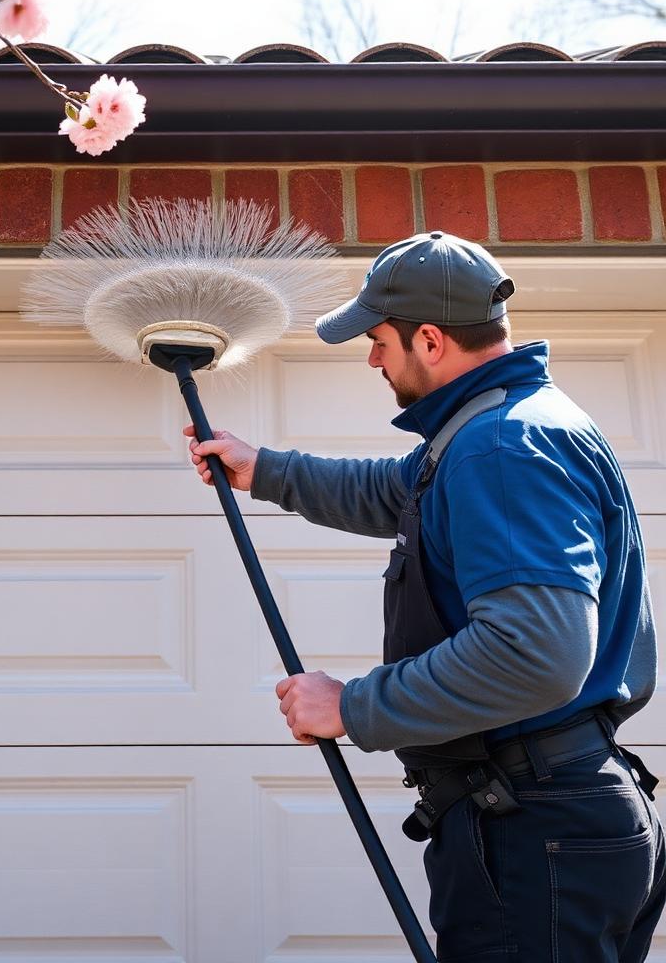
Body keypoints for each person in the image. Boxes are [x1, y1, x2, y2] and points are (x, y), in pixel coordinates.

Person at [185, 231, 665, 961]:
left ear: (431, 340)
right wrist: (266, 470)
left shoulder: (503, 444)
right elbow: (401, 490)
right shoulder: (505, 423)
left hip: (536, 830)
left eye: (379, 340)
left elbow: (535, 654)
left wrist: (351, 705)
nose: (373, 358)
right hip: (560, 817)